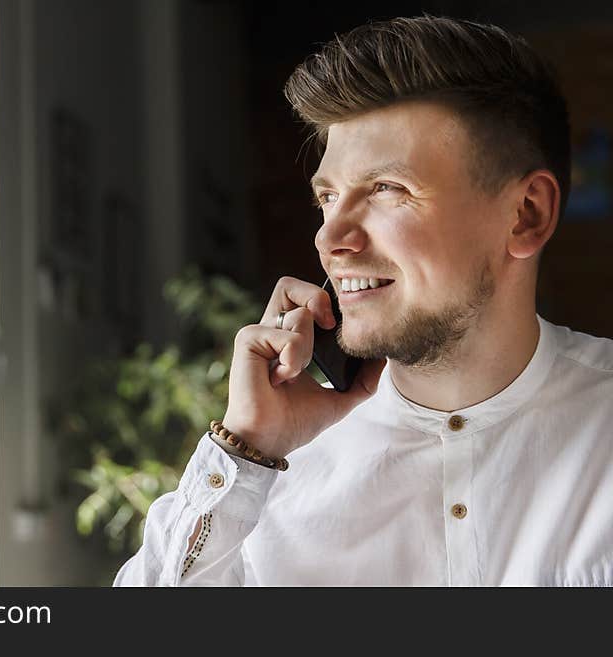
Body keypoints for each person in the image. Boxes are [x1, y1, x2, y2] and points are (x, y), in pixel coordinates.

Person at [115, 16, 613, 586]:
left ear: (526, 215)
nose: (330, 239)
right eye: (328, 197)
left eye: (387, 190)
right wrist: (247, 450)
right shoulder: (259, 486)